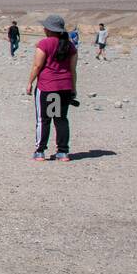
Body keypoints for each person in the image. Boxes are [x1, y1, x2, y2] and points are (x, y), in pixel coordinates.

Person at [25, 13, 78, 162]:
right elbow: (73, 70)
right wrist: (73, 88)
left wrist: (30, 82)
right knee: (61, 119)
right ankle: (63, 152)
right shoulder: (70, 46)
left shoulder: (45, 44)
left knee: (44, 119)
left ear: (48, 29)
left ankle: (40, 151)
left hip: (47, 87)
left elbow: (37, 65)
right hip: (65, 88)